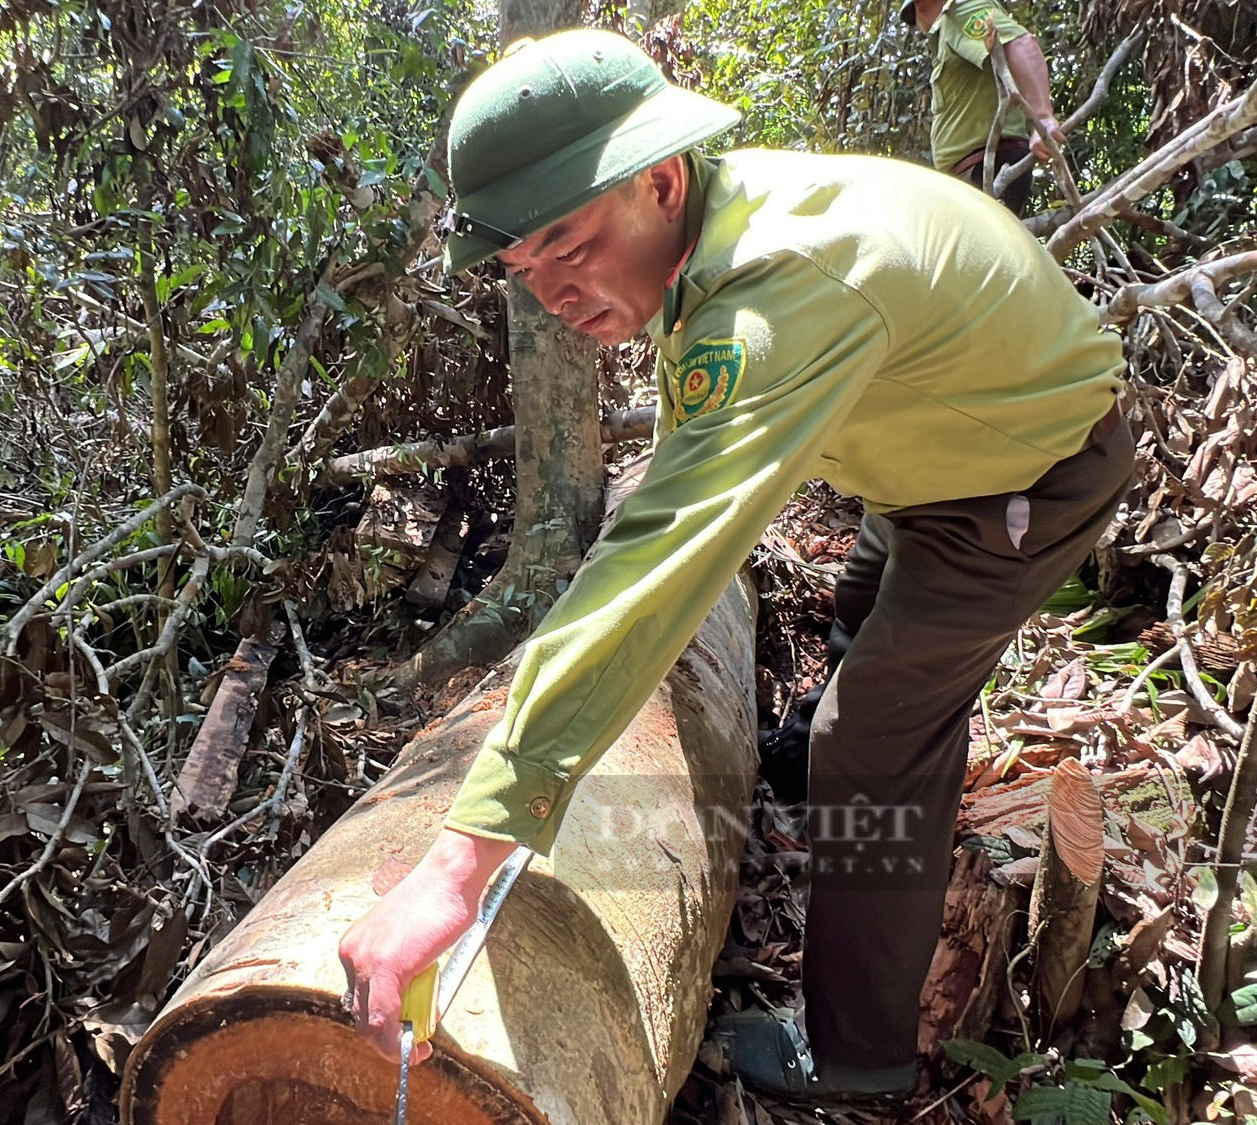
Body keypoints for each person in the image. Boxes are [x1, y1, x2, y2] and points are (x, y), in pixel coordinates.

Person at [339, 28, 1131, 1100]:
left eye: (567, 245)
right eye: (525, 268)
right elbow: (693, 459)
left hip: (1018, 479)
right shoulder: (712, 224)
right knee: (857, 599)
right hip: (927, 437)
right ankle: (794, 769)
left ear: (658, 179)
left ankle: (856, 1055)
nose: (552, 293)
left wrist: (461, 856)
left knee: (877, 738)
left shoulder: (775, 294)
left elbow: (662, 557)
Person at [905, 0, 1066, 215]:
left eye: (915, 11)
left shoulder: (961, 10)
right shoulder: (948, 31)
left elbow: (1021, 44)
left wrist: (1043, 118)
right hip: (972, 175)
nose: (917, 19)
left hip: (989, 167)